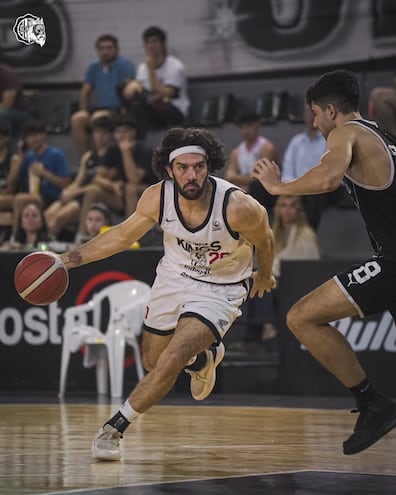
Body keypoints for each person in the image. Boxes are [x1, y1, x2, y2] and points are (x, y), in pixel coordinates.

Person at [60, 126, 276, 461]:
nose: (192, 175)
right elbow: (119, 237)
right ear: (169, 170)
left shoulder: (237, 206)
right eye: (184, 168)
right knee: (154, 361)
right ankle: (205, 359)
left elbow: (265, 238)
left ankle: (114, 429)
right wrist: (65, 260)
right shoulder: (156, 197)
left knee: (173, 358)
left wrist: (263, 273)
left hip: (221, 288)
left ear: (209, 166)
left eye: (199, 167)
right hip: (174, 277)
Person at [252, 69, 396, 455]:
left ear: (331, 110)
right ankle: (374, 404)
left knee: (301, 317)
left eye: (315, 113)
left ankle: (373, 402)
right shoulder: (382, 134)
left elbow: (329, 177)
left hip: (394, 262)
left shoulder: (346, 134)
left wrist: (279, 188)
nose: (314, 123)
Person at [251, 195, 320, 342]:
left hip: (297, 281)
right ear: (277, 210)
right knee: (261, 285)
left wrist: (270, 268)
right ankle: (263, 331)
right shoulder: (272, 234)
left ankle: (266, 330)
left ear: (298, 210)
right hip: (277, 280)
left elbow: (305, 261)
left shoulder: (306, 235)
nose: (287, 210)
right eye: (283, 206)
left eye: (291, 206)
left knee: (264, 283)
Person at [282, 104, 353, 229]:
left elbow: (330, 172)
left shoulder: (331, 139)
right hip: (299, 189)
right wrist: (293, 187)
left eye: (314, 113)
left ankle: (308, 236)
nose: (310, 116)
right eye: (308, 112)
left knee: (315, 192)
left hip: (327, 187)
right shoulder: (296, 142)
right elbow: (287, 170)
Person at [45, 116, 113, 239]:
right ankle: (42, 241)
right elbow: (78, 181)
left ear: (110, 135)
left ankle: (53, 240)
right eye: (97, 132)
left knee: (61, 216)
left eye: (104, 133)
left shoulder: (112, 155)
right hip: (80, 194)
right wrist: (68, 191)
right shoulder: (88, 156)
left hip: (94, 196)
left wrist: (75, 192)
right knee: (49, 213)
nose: (100, 137)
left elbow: (98, 185)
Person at [71, 34, 136, 153]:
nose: (105, 52)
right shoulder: (93, 67)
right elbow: (85, 91)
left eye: (109, 48)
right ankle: (87, 157)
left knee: (98, 118)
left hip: (118, 110)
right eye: (102, 48)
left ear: (116, 49)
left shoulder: (126, 65)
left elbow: (129, 91)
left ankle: (102, 157)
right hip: (99, 108)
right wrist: (83, 110)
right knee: (78, 118)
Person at [122, 26, 190, 139]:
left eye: (155, 42)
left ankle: (138, 142)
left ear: (163, 44)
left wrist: (151, 70)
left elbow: (166, 93)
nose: (151, 46)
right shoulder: (142, 68)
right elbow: (140, 91)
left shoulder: (175, 66)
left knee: (142, 105)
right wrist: (132, 85)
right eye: (147, 42)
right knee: (128, 93)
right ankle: (135, 141)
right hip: (150, 107)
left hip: (174, 110)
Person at [12, 119, 71, 236]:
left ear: (43, 135)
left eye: (35, 135)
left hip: (51, 197)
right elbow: (12, 181)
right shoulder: (28, 157)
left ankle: (16, 237)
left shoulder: (56, 155)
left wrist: (44, 173)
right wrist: (21, 156)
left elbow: (66, 183)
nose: (32, 140)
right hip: (32, 195)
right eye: (29, 137)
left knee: (20, 199)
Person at [225, 111, 277, 213]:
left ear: (257, 125)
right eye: (242, 127)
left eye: (249, 126)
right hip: (244, 191)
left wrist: (237, 178)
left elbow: (261, 178)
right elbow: (229, 177)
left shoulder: (267, 148)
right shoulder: (236, 152)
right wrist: (246, 182)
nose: (245, 130)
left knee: (257, 186)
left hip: (263, 192)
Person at [0, 64, 29, 137]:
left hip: (18, 112)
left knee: (1, 113)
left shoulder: (6, 73)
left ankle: (4, 142)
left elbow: (7, 103)